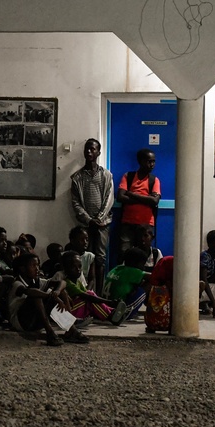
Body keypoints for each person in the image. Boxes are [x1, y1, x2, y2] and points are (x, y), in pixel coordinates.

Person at [7, 252, 89, 346]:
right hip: (21, 323)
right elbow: (30, 292)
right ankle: (50, 333)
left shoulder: (37, 280)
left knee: (62, 291)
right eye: (33, 265)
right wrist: (55, 298)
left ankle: (71, 329)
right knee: (37, 296)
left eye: (38, 265)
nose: (37, 268)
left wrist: (57, 292)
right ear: (23, 269)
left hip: (34, 321)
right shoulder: (17, 283)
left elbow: (62, 282)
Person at [69, 138, 115, 295]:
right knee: (84, 258)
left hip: (103, 224)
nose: (89, 152)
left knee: (100, 259)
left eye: (93, 149)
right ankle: (85, 293)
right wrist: (89, 220)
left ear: (98, 152)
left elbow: (110, 199)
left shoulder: (106, 175)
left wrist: (99, 219)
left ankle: (99, 295)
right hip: (85, 225)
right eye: (87, 149)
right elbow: (76, 204)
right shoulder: (77, 178)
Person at [53, 251, 128, 326]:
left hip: (76, 309)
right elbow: (86, 296)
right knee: (90, 299)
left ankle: (112, 312)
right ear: (65, 268)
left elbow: (88, 293)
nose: (78, 269)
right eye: (73, 267)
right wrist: (109, 302)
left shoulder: (78, 282)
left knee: (90, 296)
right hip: (65, 313)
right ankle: (110, 315)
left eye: (79, 266)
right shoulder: (68, 282)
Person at [116, 148, 161, 263]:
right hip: (128, 223)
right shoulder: (128, 177)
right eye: (149, 161)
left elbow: (154, 201)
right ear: (140, 161)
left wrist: (131, 194)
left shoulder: (154, 180)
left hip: (146, 225)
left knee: (144, 256)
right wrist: (146, 198)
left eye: (153, 161)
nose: (152, 164)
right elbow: (120, 197)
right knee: (124, 253)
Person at [104, 246, 152, 321]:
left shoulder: (117, 268)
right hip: (119, 310)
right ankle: (125, 313)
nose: (143, 267)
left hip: (106, 307)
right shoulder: (132, 271)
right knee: (151, 282)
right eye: (142, 264)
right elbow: (154, 276)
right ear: (135, 263)